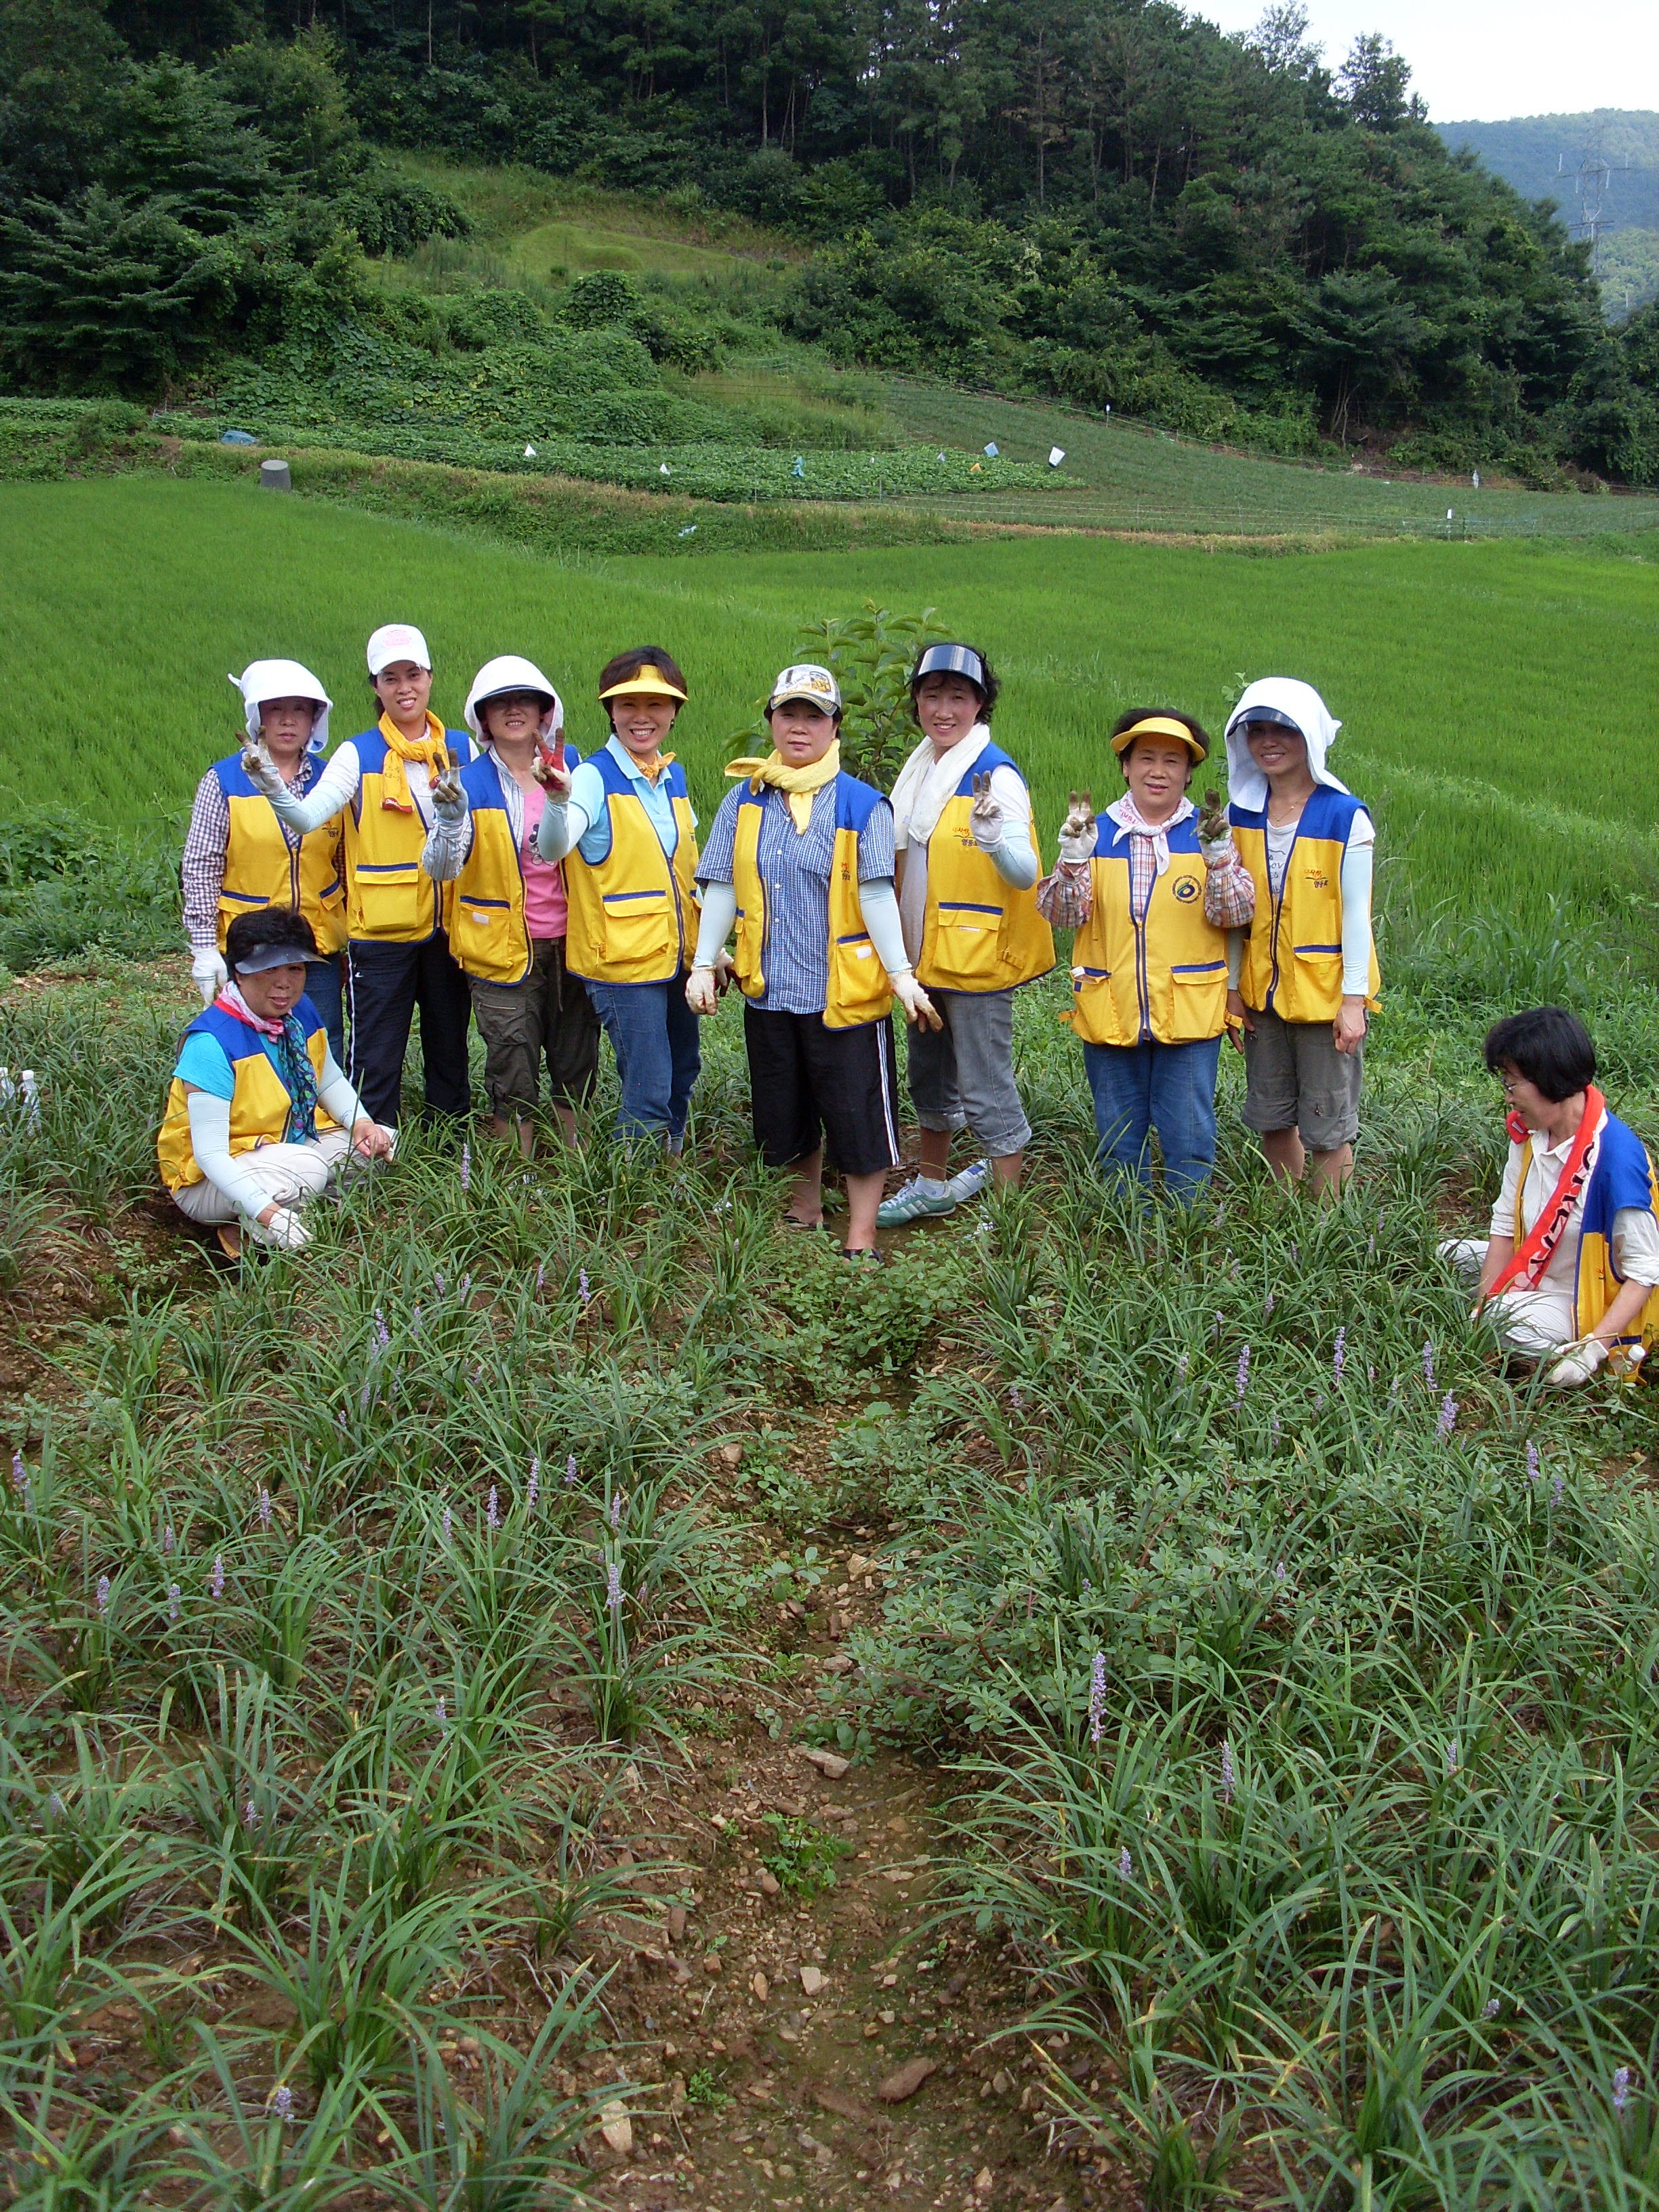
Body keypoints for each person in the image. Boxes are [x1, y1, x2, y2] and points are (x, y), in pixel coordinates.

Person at [688, 662, 938, 1260]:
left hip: (842, 994)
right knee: (785, 1109)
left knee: (857, 1117)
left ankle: (860, 1235)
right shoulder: (744, 799)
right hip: (770, 988)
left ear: (834, 727)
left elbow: (877, 892)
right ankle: (801, 1212)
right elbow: (719, 885)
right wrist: (703, 963)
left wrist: (901, 975)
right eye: (788, 714)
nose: (799, 727)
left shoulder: (861, 804)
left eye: (813, 716)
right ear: (771, 720)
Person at [241, 623, 476, 1130]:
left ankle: (453, 1156)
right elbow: (306, 818)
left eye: (413, 674)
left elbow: (471, 841)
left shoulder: (463, 750)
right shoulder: (357, 754)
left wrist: (455, 819)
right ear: (375, 687)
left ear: (430, 677)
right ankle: (374, 1158)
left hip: (450, 931)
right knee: (376, 1058)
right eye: (390, 678)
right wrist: (271, 788)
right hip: (381, 936)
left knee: (450, 1050)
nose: (404, 687)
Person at [877, 643, 1052, 1229]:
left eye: (958, 696)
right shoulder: (921, 768)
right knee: (929, 1078)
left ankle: (1005, 1209)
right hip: (924, 957)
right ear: (917, 703)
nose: (943, 709)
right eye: (932, 695)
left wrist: (996, 838)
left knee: (983, 1083)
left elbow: (1026, 873)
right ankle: (932, 1182)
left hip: (977, 959)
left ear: (980, 703)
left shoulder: (993, 775)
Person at [1048, 712, 1255, 1202]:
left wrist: (1220, 858)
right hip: (1110, 1006)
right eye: (1145, 758)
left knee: (1189, 1134)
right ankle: (1128, 1232)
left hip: (1187, 1009)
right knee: (1119, 1136)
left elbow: (1237, 913)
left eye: (1172, 760)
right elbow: (1061, 915)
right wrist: (1073, 861)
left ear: (1188, 773)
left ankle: (1187, 1231)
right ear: (1125, 767)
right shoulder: (1094, 834)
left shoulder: (1207, 832)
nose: (1157, 771)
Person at [421, 656, 600, 1155]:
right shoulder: (468, 783)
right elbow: (440, 868)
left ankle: (575, 1169)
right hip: (500, 953)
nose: (514, 710)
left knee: (576, 1059)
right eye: (500, 702)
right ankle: (515, 1178)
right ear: (482, 717)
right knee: (511, 1063)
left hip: (573, 943)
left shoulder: (577, 768)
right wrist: (452, 821)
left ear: (546, 711)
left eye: (526, 700)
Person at [533, 647, 701, 1149]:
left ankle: (668, 1167)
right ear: (610, 710)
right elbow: (554, 846)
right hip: (622, 963)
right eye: (628, 704)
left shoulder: (672, 776)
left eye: (656, 704)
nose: (641, 717)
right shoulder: (592, 777)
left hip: (674, 957)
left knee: (682, 1068)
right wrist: (558, 804)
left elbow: (682, 870)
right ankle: (637, 1199)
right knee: (648, 1085)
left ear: (674, 711)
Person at [158, 907, 394, 1258]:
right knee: (309, 1169)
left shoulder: (300, 1013)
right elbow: (209, 1156)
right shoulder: (212, 1043)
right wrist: (269, 1213)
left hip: (283, 1146)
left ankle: (292, 1215)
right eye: (268, 970)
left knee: (381, 1142)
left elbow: (328, 1079)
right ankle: (247, 1234)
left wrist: (361, 1122)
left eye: (295, 969)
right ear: (238, 973)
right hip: (206, 1179)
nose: (284, 983)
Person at [1441, 1008, 1659, 1386]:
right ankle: (1510, 1322)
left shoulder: (1615, 1162)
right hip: (1537, 1266)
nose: (1508, 1098)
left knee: (1497, 1321)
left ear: (1550, 1080)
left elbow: (1644, 1272)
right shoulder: (1531, 1134)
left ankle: (1577, 1361)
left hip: (1582, 1297)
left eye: (1512, 1086)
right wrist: (1485, 1300)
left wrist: (1593, 1347)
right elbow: (1506, 1223)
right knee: (1448, 1257)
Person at [1223, 678, 1378, 1197]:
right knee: (1271, 1114)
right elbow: (1232, 913)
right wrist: (1230, 991)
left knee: (1327, 1126)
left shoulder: (1343, 816)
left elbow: (1357, 914)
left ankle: (1325, 1232)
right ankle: (1286, 1213)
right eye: (1258, 730)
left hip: (1324, 995)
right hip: (1261, 992)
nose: (1269, 741)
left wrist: (1352, 1000)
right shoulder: (1238, 814)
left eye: (1284, 730)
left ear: (1309, 736)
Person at [181, 661, 346, 1062]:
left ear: (314, 720)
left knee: (320, 1051)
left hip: (315, 948)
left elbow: (345, 864)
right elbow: (201, 866)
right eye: (276, 710)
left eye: (300, 711)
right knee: (248, 1052)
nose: (288, 721)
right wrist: (204, 948)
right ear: (258, 719)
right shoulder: (225, 780)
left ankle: (323, 1125)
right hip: (249, 946)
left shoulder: (333, 782)